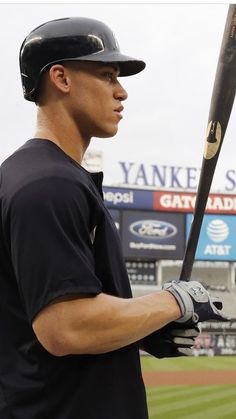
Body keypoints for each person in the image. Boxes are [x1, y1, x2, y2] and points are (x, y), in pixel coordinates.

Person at [0, 17, 227, 419]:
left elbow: (32, 321)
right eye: (107, 76)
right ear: (61, 78)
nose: (121, 92)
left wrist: (142, 329)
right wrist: (174, 300)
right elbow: (64, 327)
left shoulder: (30, 175)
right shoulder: (50, 184)